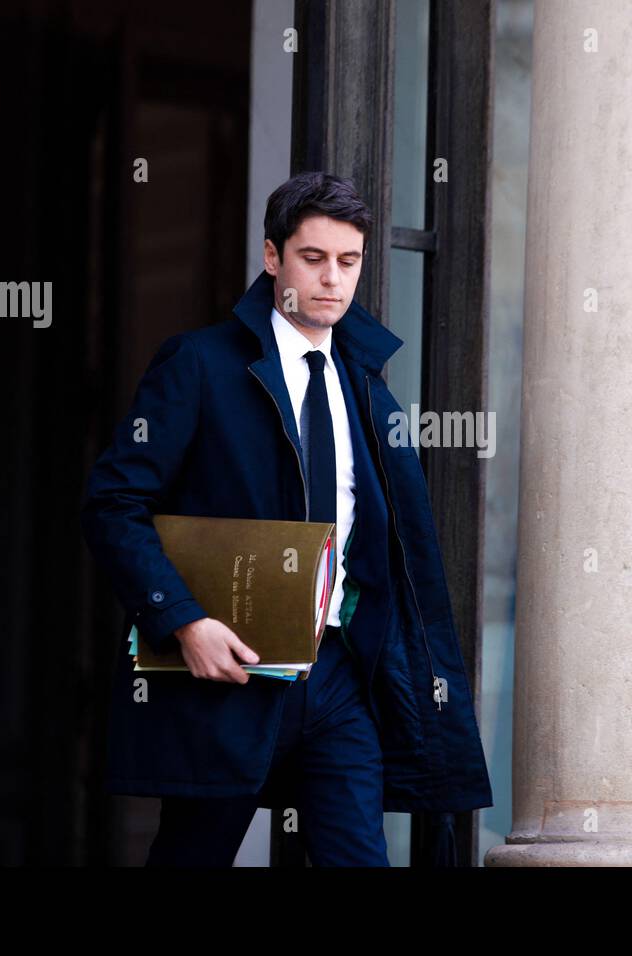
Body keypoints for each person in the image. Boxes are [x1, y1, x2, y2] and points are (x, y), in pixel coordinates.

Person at [80, 171, 493, 866]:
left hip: (337, 677)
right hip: (227, 673)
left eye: (349, 261)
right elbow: (113, 504)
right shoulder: (201, 366)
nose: (333, 279)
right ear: (273, 257)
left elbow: (393, 551)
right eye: (313, 258)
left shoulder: (368, 390)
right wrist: (182, 620)